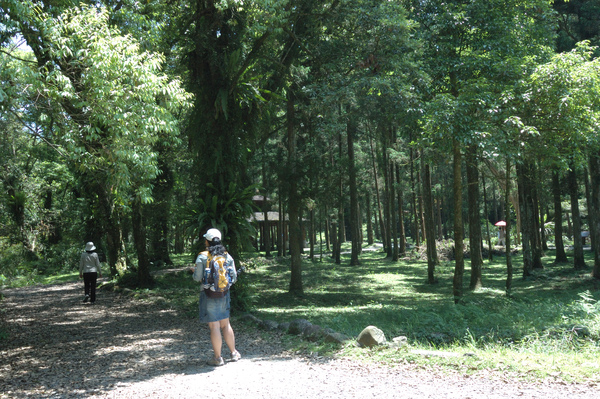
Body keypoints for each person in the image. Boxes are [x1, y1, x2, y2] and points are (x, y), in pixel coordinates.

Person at [192, 228, 241, 366]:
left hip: (208, 294)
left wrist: (193, 271)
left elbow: (197, 278)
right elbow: (234, 277)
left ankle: (218, 358)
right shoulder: (226, 255)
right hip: (224, 293)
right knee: (226, 324)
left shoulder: (202, 256)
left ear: (207, 241)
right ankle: (233, 353)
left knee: (214, 326)